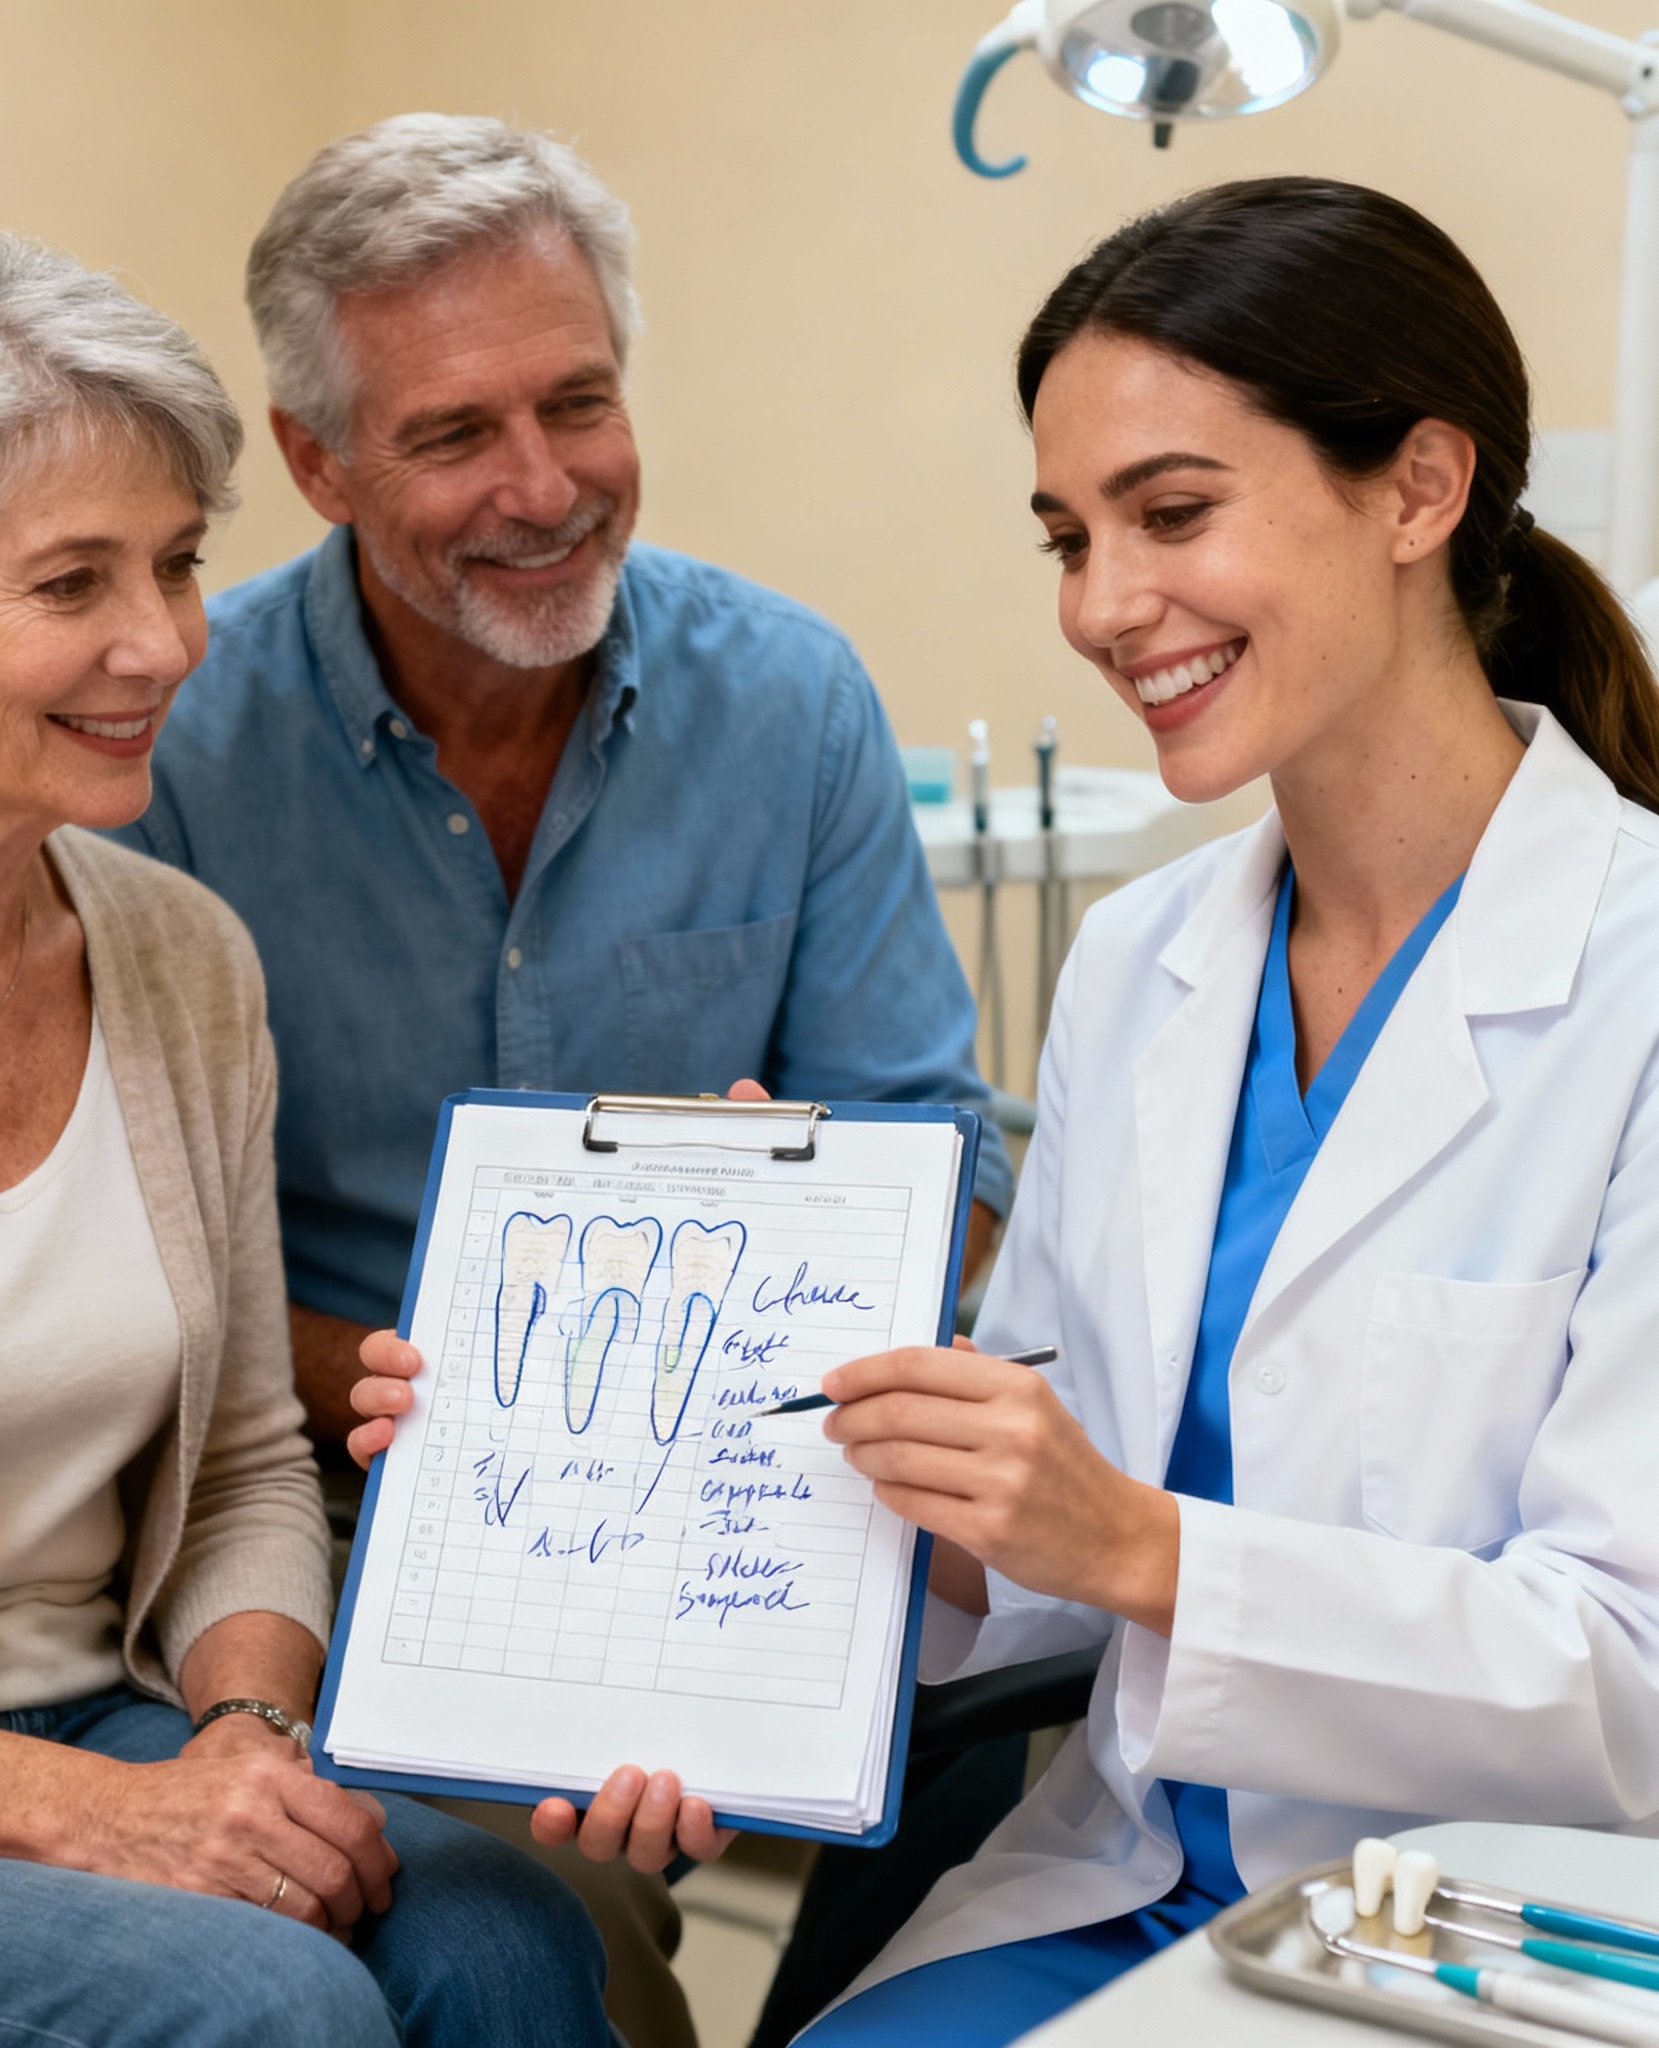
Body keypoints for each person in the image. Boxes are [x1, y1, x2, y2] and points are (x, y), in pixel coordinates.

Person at [455, 174, 1659, 2040]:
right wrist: (731, 1412)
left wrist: (1137, 1543)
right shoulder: (1143, 963)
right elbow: (1037, 1563)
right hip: (1131, 1881)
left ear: (1420, 489)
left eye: (1172, 515)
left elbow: (1627, 1676)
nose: (1102, 607)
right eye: (1068, 538)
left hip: (1495, 1918)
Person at [0, 225, 612, 2048]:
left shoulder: (177, 956)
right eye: (72, 582)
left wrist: (246, 1741)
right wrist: (94, 1814)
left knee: (507, 1948)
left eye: (176, 562)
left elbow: (240, 1468)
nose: (161, 643)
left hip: (103, 1717)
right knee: (269, 2008)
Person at [112, 113, 1018, 2046]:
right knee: (551, 1927)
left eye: (579, 403)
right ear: (316, 461)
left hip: (742, 1481)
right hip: (321, 1497)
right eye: (453, 434)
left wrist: (825, 1250)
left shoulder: (791, 701)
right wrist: (440, 1405)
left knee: (1017, 1780)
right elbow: (143, 1263)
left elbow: (946, 1156)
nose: (543, 487)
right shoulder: (177, 751)